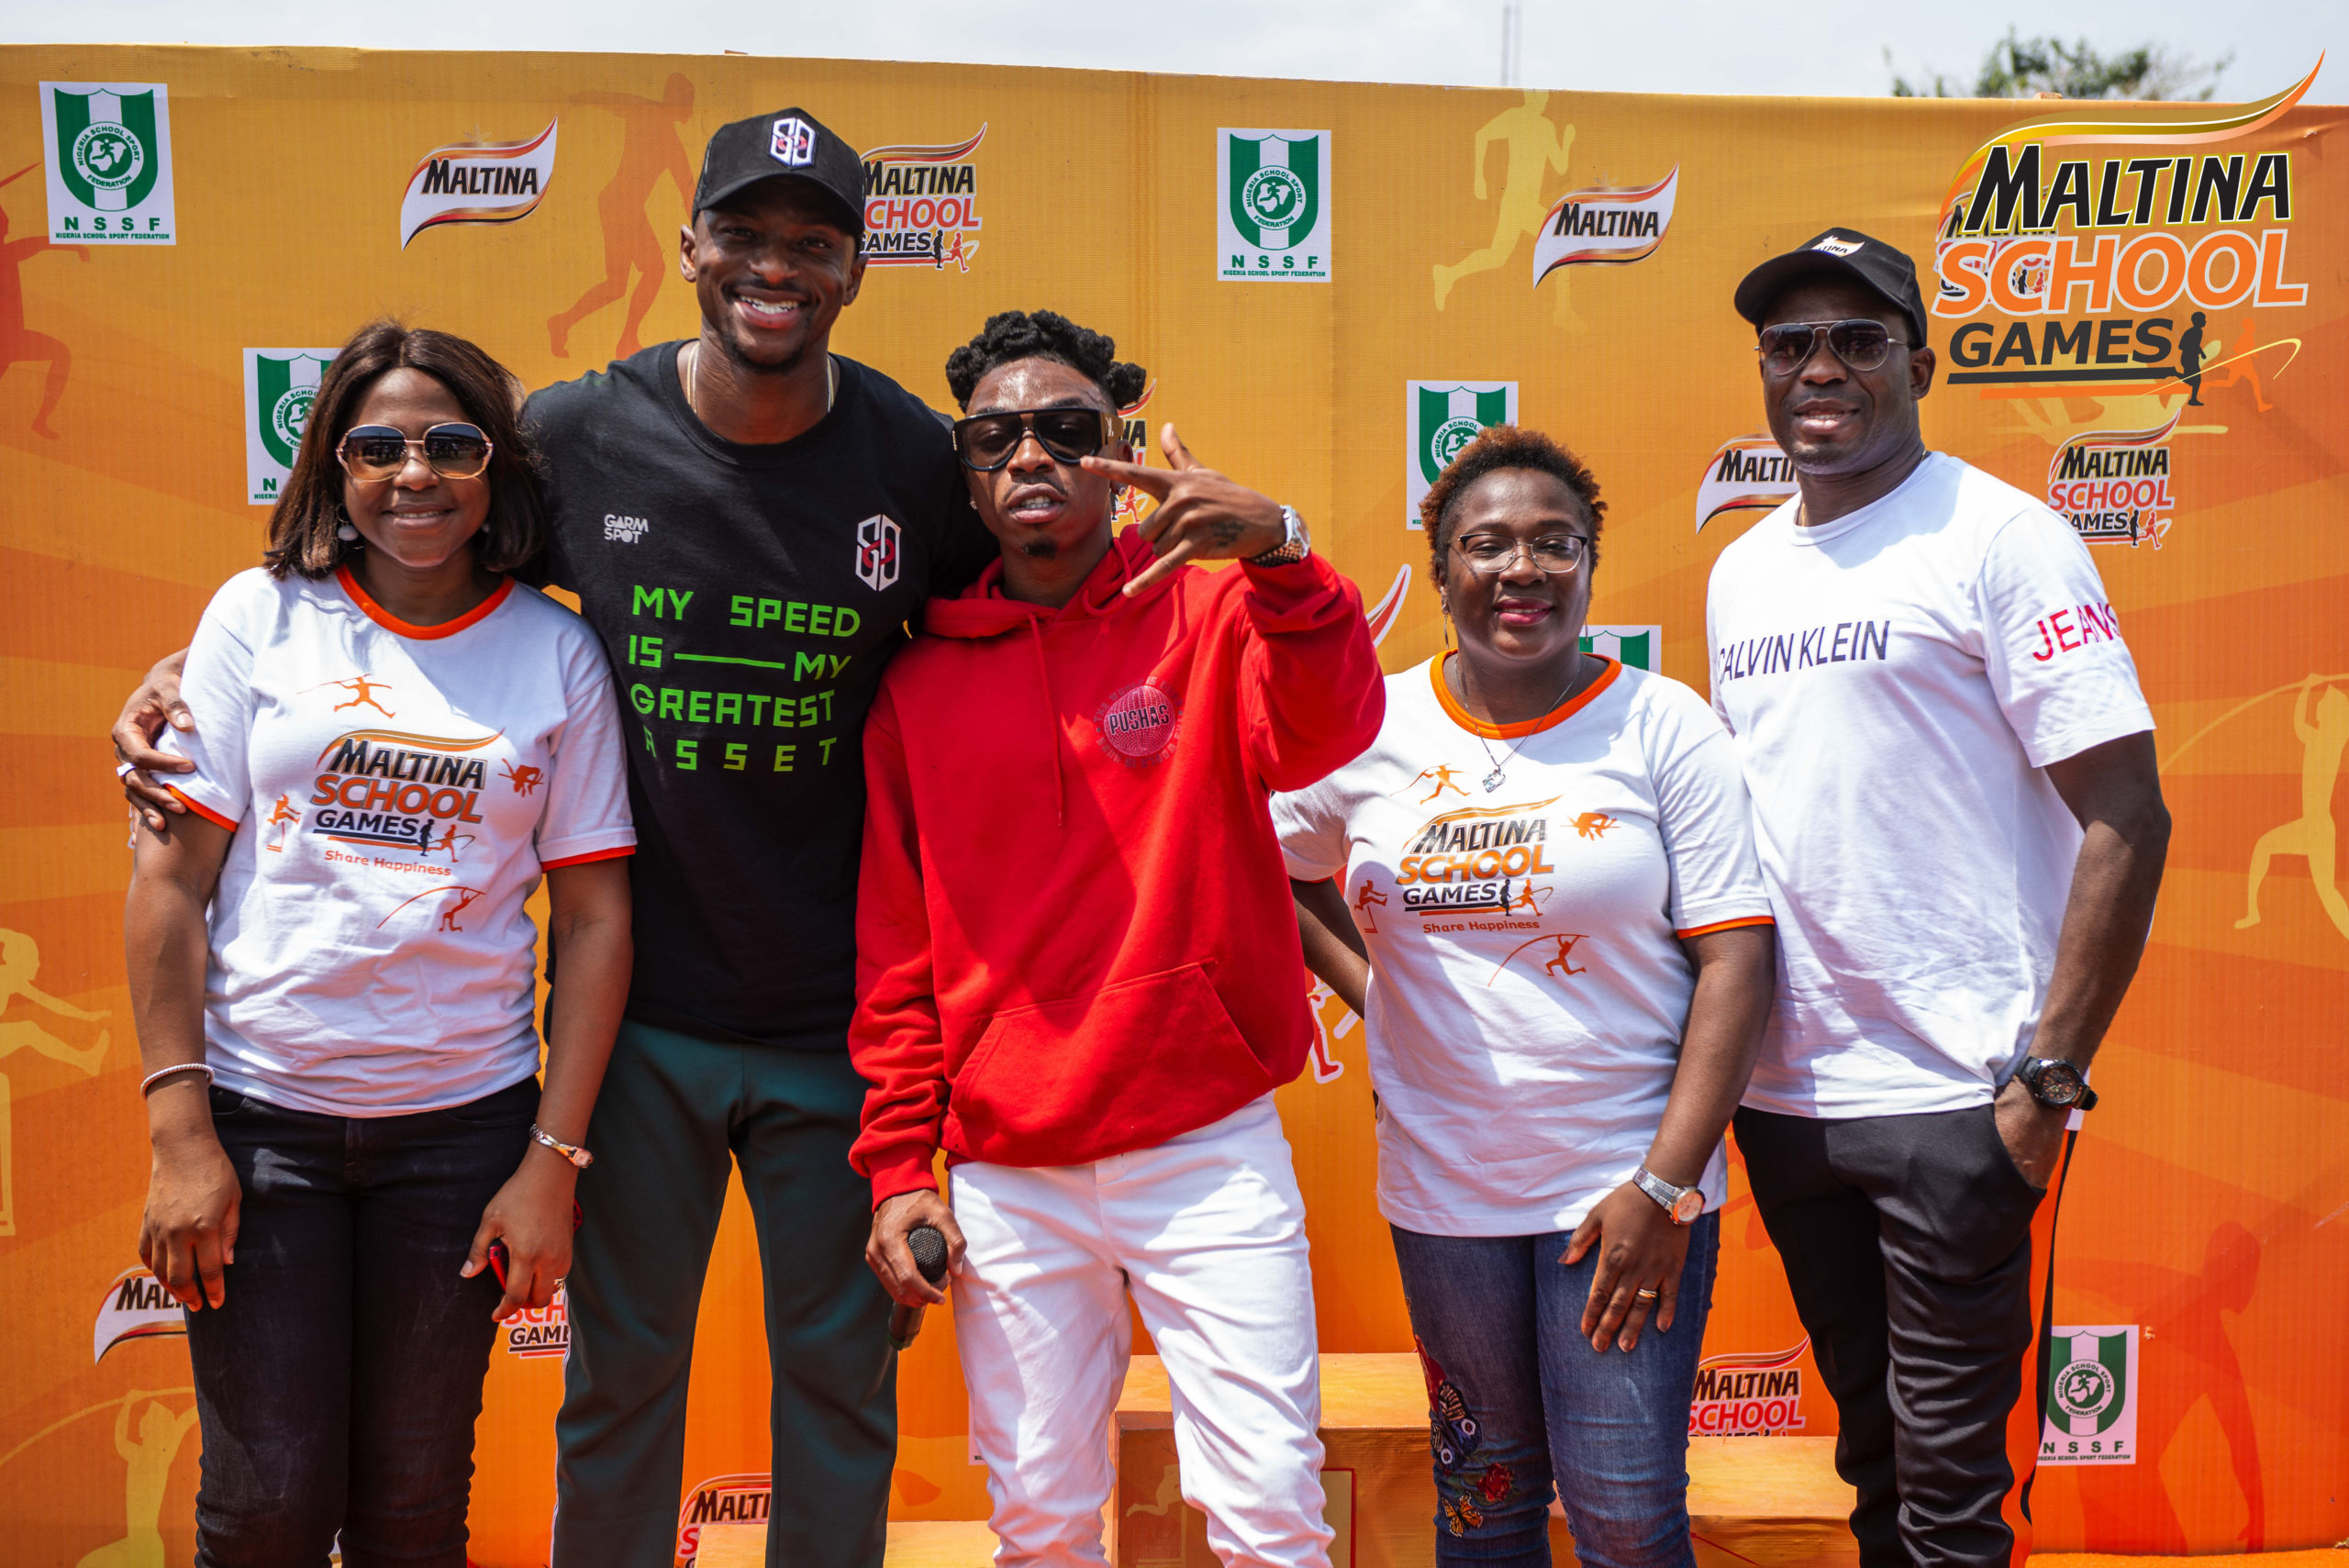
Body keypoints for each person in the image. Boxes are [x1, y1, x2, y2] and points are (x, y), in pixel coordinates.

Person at [111, 108, 996, 1568]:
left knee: (844, 1388)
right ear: (690, 245)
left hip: (841, 1017)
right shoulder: (578, 434)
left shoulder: (908, 453)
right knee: (618, 1387)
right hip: (639, 1020)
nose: (775, 267)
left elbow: (1012, 624)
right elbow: (399, 552)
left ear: (856, 266)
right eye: (745, 234)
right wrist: (185, 683)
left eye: (812, 242)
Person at [852, 310, 1384, 1568]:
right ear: (965, 474)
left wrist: (1285, 552)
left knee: (1270, 1512)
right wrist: (900, 1165)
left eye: (1066, 427)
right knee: (1039, 1525)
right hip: (1011, 1168)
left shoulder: (1213, 610)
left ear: (1119, 449)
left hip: (1206, 1145)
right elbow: (896, 959)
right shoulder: (915, 684)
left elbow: (1331, 729)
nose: (1031, 452)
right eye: (995, 436)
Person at [121, 320, 636, 1567]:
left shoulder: (557, 651)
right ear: (332, 466)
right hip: (264, 1125)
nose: (416, 474)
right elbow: (171, 880)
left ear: (496, 467)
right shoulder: (258, 617)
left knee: (413, 1510)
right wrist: (182, 1135)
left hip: (462, 1137)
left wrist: (551, 1161)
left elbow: (595, 918)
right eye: (378, 447)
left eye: (452, 445)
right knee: (267, 1509)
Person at [1709, 228, 2170, 1568]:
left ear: (1919, 365)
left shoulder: (2001, 536)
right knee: (1875, 1466)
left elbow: (2128, 814)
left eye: (1858, 340)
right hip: (1791, 1099)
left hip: (1962, 1098)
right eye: (1790, 344)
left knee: (1955, 1498)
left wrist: (2048, 1078)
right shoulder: (1743, 570)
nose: (1820, 368)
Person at [1277, 425, 1778, 1565]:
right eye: (1487, 543)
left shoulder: (1663, 724)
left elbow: (1737, 962)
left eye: (1555, 542)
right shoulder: (1368, 728)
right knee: (1484, 1500)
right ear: (1440, 567)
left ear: (1590, 563)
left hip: (1623, 1186)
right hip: (1443, 1190)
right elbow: (1272, 865)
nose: (1523, 569)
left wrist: (1665, 1186)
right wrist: (1379, 994)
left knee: (1624, 1515)